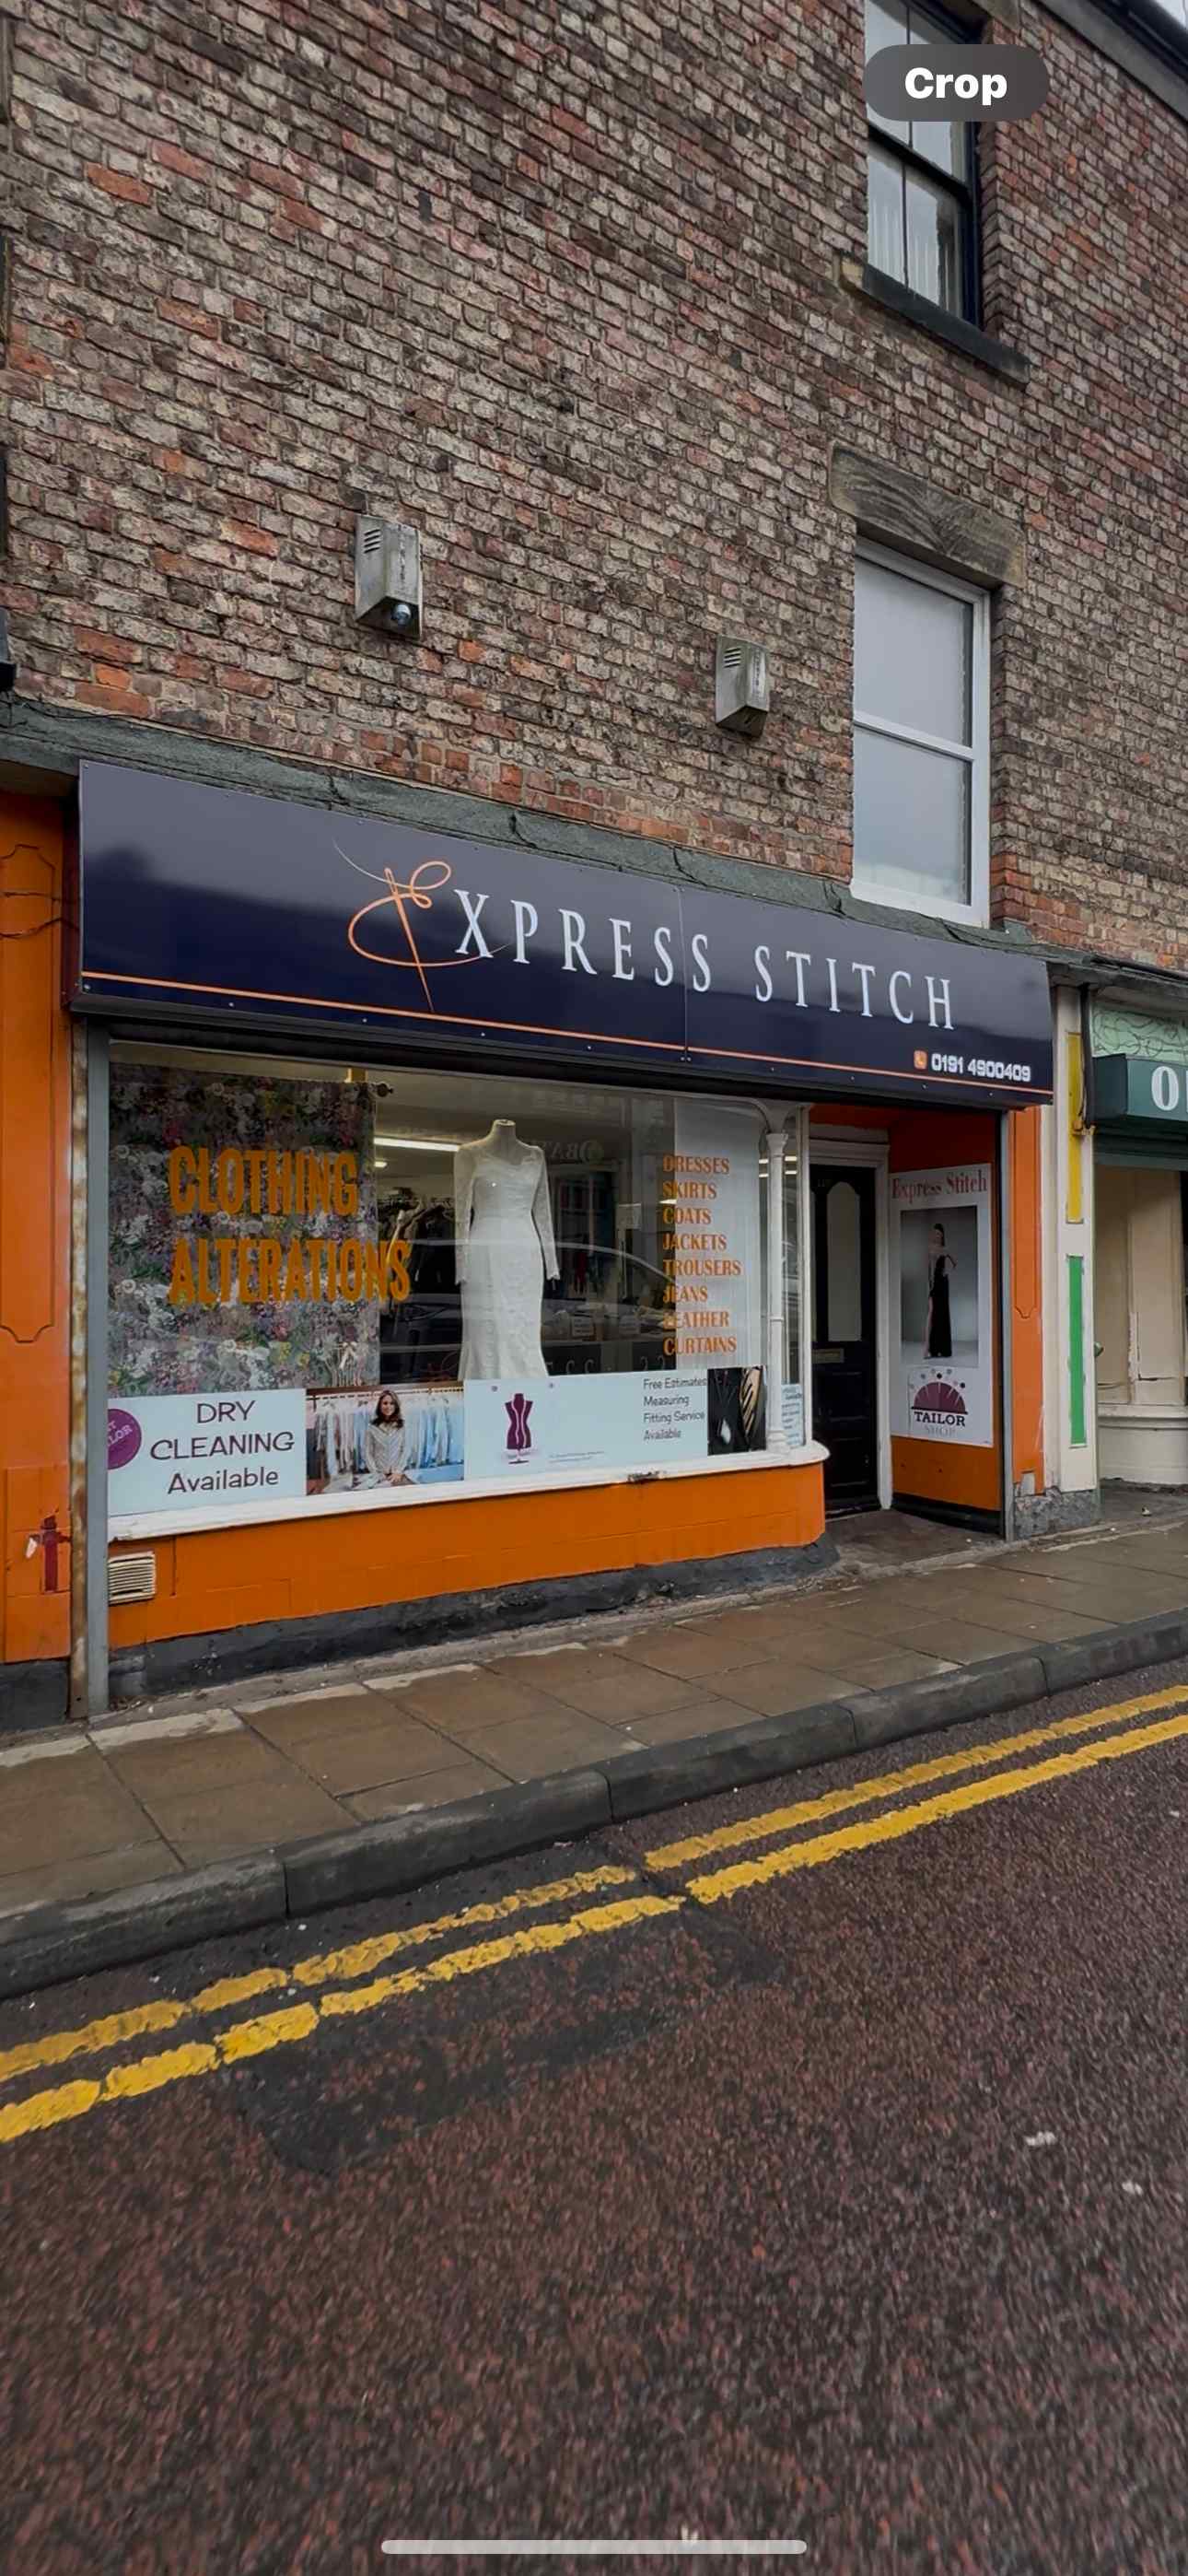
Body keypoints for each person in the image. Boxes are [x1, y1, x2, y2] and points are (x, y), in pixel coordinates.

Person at [366, 1388, 409, 1485]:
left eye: (392, 1403)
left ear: (396, 1405)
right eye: (385, 1403)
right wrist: (375, 1473)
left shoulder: (402, 1425)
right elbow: (368, 1452)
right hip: (379, 1474)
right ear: (380, 1405)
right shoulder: (372, 1426)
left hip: (397, 1474)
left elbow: (405, 1449)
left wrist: (398, 1471)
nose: (388, 1406)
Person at [925, 1224, 956, 1359]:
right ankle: (932, 1349)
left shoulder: (945, 1249)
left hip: (943, 1283)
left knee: (943, 1313)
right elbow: (929, 1268)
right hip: (934, 1283)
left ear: (942, 1235)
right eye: (935, 1233)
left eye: (938, 1234)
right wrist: (930, 1284)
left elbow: (955, 1262)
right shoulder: (931, 1248)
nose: (936, 1236)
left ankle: (943, 1350)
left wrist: (946, 1273)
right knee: (933, 1313)